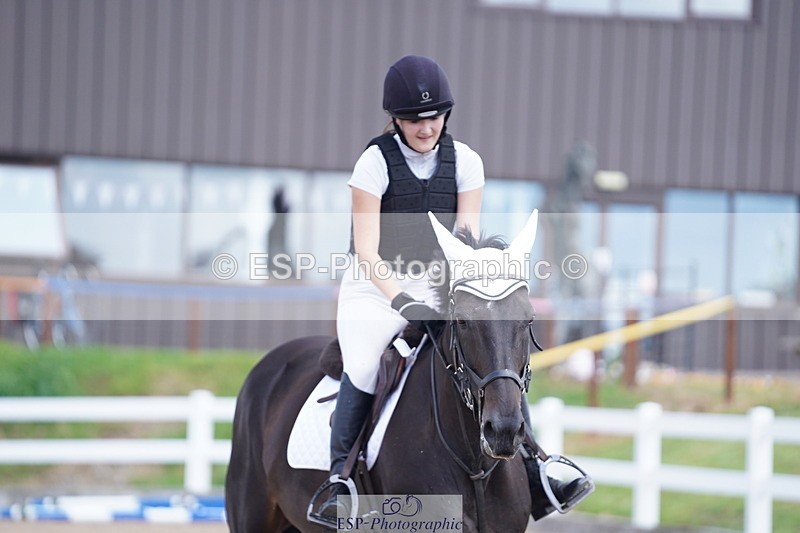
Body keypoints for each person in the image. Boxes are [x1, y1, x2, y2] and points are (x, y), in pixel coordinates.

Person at [309, 55, 590, 527]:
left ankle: (534, 467)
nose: (426, 127)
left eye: (434, 116)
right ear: (396, 119)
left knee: (492, 350)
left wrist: (463, 293)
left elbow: (464, 240)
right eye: (414, 119)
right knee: (364, 363)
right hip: (374, 286)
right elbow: (368, 251)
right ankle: (341, 481)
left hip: (442, 281)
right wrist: (404, 302)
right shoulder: (373, 163)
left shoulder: (466, 162)